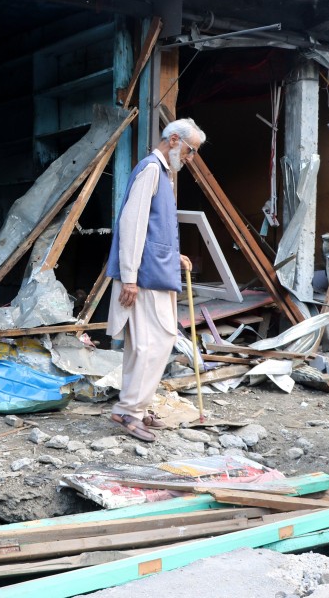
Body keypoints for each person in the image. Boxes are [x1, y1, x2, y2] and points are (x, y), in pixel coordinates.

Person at [105, 118, 206, 442]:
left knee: (144, 344)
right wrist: (130, 278)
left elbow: (151, 227)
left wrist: (173, 254)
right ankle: (129, 411)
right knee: (155, 342)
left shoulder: (160, 173)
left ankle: (134, 406)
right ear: (174, 140)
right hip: (146, 278)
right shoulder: (151, 169)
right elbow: (132, 225)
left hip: (153, 272)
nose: (190, 158)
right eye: (191, 151)